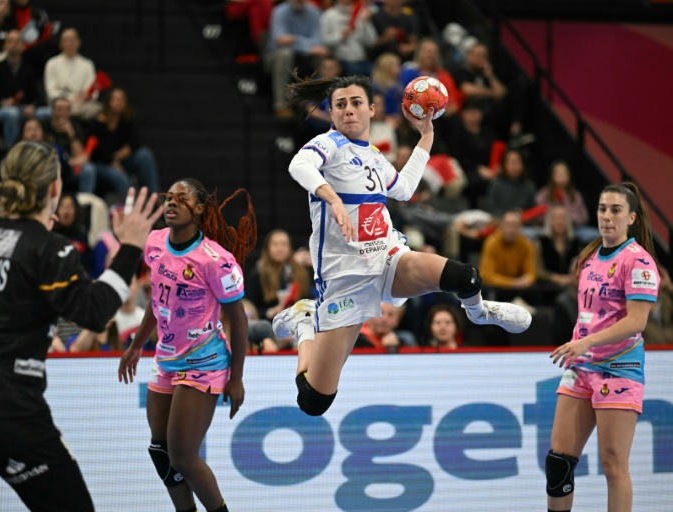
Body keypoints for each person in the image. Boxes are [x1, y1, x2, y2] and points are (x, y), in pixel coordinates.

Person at [0, 141, 162, 511]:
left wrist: (42, 236)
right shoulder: (48, 247)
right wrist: (130, 247)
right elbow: (92, 311)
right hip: (9, 413)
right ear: (55, 189)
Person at [270, 73, 532, 417]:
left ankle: (480, 313)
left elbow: (405, 189)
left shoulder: (375, 157)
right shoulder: (328, 144)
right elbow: (298, 164)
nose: (349, 110)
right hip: (345, 277)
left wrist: (427, 136)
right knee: (314, 401)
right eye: (340, 105)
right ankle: (305, 324)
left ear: (372, 109)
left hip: (388, 258)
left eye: (356, 103)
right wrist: (331, 198)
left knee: (464, 277)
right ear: (332, 115)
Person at [118, 178, 257, 512]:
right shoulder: (154, 243)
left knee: (183, 455)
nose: (171, 203)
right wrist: (137, 344)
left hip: (204, 361)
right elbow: (158, 299)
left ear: (198, 209)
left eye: (181, 199)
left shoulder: (214, 260)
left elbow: (239, 320)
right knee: (160, 450)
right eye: (168, 197)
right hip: (166, 358)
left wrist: (236, 378)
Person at [547, 182, 659, 512]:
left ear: (631, 218)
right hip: (581, 368)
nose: (606, 217)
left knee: (612, 466)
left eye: (615, 210)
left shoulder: (639, 262)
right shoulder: (589, 256)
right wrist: (580, 343)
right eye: (601, 209)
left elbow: (636, 321)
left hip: (619, 368)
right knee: (558, 462)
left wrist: (587, 342)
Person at [88, 88, 160, 196]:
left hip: (121, 161)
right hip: (102, 164)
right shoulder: (99, 123)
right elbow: (97, 151)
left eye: (121, 100)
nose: (118, 103)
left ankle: (155, 196)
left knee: (144, 154)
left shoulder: (126, 121)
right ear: (108, 102)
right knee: (119, 177)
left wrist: (124, 152)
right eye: (115, 99)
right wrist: (113, 160)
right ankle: (128, 206)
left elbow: (135, 142)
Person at [0, 29, 46, 147]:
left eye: (17, 41)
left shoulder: (30, 70)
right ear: (5, 46)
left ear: (23, 46)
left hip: (25, 110)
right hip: (0, 111)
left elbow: (39, 97)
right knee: (12, 114)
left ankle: (44, 150)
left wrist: (33, 106)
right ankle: (14, 153)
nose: (14, 44)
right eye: (10, 41)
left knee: (48, 112)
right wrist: (2, 102)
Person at [245, 228, 312, 321]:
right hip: (268, 324)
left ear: (290, 248)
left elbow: (308, 300)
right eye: (275, 244)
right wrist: (269, 312)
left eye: (284, 244)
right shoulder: (258, 274)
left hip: (298, 322)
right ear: (267, 248)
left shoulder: (301, 272)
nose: (280, 249)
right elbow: (250, 307)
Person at [43, 28, 103, 119]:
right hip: (59, 104)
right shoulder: (51, 63)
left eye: (72, 40)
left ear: (78, 42)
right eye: (65, 41)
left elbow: (92, 91)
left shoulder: (87, 64)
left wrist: (87, 96)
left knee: (98, 109)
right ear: (61, 44)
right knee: (58, 108)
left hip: (81, 105)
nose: (69, 43)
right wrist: (69, 99)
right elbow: (51, 91)